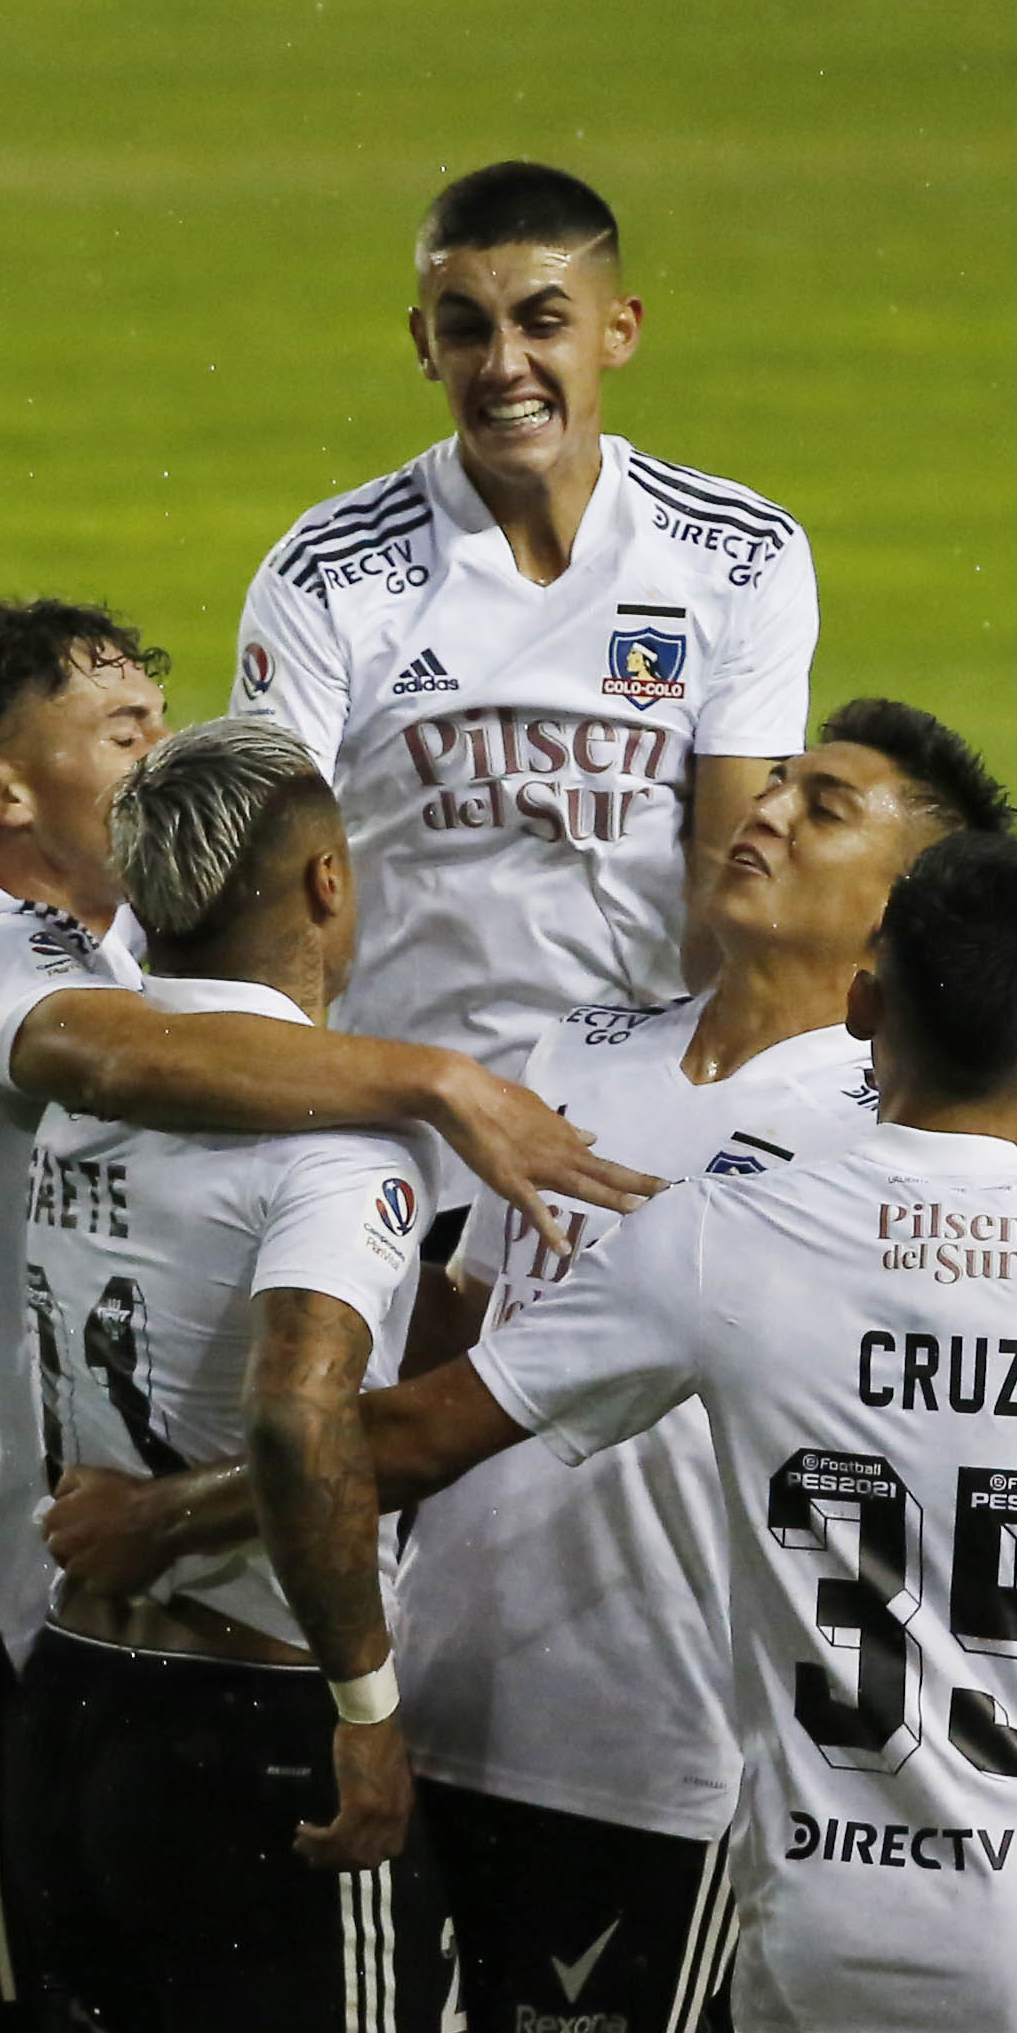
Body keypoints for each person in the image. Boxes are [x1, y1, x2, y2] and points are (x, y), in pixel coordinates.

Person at [66, 834, 1017, 2033]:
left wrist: (170, 1516)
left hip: (820, 1968)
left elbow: (398, 1438)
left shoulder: (725, 1244)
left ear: (868, 1003)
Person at [0, 599, 651, 2033]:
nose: (159, 759)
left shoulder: (95, 964)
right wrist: (437, 1082)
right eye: (123, 734)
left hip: (63, 1647)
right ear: (0, 793)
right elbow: (126, 1059)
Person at [229, 160, 823, 1269]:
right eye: (467, 330)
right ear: (423, 344)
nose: (505, 367)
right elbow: (267, 899)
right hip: (403, 1141)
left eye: (542, 323)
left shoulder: (737, 555)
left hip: (635, 1149)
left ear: (619, 329)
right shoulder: (331, 574)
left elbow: (734, 887)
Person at [19, 719, 453, 2033]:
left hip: (79, 1697)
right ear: (326, 884)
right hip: (259, 1729)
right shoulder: (337, 1144)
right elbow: (295, 1416)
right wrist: (366, 1707)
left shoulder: (72, 1103)